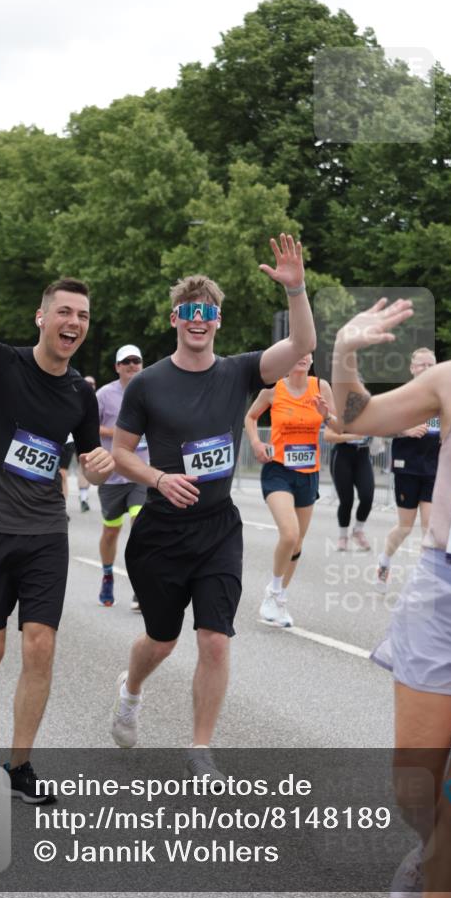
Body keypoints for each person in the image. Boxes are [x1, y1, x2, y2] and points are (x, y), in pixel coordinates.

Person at [331, 262, 451, 898]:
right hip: (442, 609)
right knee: (413, 787)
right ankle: (433, 847)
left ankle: (448, 859)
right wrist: (343, 352)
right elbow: (357, 419)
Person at [109, 233, 316, 778]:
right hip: (161, 532)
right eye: (189, 311)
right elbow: (122, 453)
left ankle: (200, 748)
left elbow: (300, 345)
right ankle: (131, 691)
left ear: (218, 321)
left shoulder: (240, 371)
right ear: (175, 319)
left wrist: (296, 290)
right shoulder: (147, 384)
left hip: (218, 529)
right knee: (161, 641)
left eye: (207, 312)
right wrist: (159, 479)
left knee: (215, 641)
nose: (197, 320)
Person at [0, 226, 113, 802]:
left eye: (82, 315)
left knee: (40, 645)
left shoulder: (80, 394)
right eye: (64, 311)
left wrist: (100, 467)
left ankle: (19, 765)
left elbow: (89, 466)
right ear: (42, 317)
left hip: (44, 534)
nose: (74, 322)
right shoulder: (2, 363)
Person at [245, 353, 336, 627]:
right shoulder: (273, 390)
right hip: (278, 471)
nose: (302, 358)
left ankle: (280, 597)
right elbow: (251, 417)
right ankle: (272, 592)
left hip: (308, 473)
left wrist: (327, 416)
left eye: (308, 354)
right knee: (289, 533)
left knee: (297, 543)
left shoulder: (321, 387)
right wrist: (256, 443)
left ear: (311, 360)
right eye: (298, 353)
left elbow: (338, 426)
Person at [377, 348, 440, 585]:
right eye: (422, 365)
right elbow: (382, 427)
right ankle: (384, 560)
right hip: (407, 468)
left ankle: (424, 579)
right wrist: (406, 430)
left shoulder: (442, 398)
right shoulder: (401, 396)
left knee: (429, 527)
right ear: (412, 368)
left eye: (430, 365)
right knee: (405, 527)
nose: (426, 369)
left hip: (433, 469)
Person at [96, 345, 148, 610]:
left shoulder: (151, 390)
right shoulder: (104, 395)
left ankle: (141, 586)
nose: (131, 365)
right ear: (117, 367)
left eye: (136, 361)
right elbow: (88, 425)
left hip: (141, 472)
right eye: (126, 362)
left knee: (141, 526)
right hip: (112, 475)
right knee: (111, 531)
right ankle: (107, 575)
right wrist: (116, 433)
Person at [325, 421, 375, 551]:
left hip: (363, 455)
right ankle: (343, 536)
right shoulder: (340, 412)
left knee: (367, 496)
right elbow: (328, 436)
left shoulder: (370, 412)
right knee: (346, 500)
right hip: (342, 454)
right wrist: (353, 436)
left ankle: (358, 531)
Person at [78, 375, 96, 511]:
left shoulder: (99, 398)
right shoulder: (76, 397)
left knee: (89, 468)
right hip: (77, 439)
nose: (90, 385)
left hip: (95, 440)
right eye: (87, 383)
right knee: (82, 467)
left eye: (92, 383)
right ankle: (83, 498)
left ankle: (84, 496)